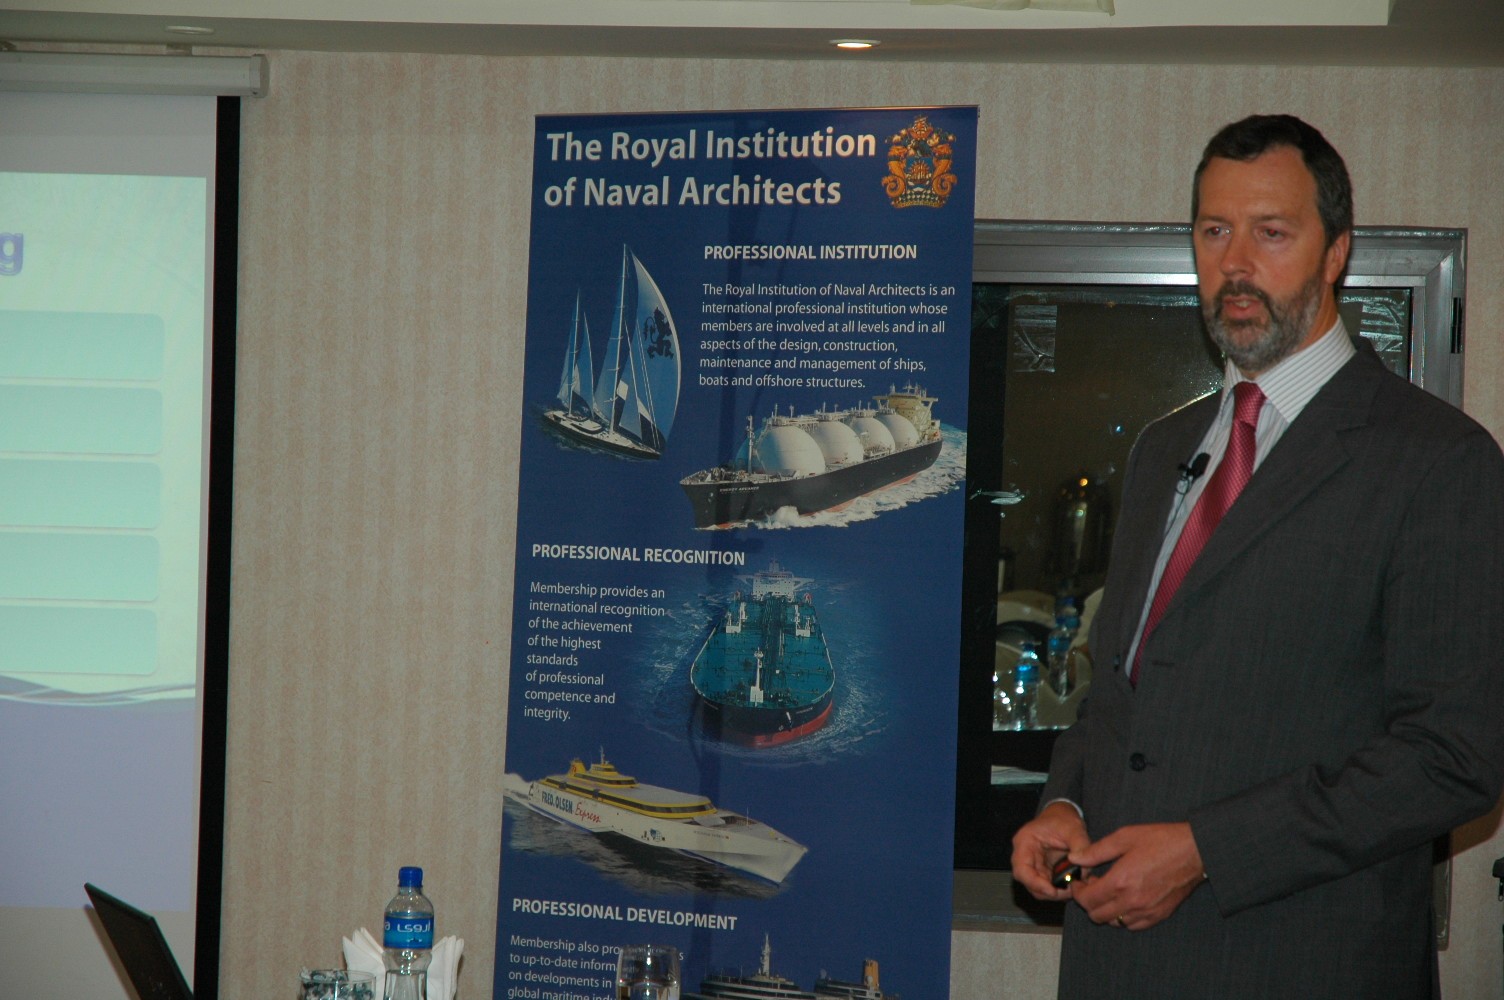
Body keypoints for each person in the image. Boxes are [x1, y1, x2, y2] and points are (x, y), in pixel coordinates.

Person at [1010, 113, 1504, 999]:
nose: (1235, 264)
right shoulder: (1162, 450)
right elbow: (1122, 691)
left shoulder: (1436, 459)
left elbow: (1454, 754)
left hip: (1301, 962)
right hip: (1113, 961)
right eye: (1214, 232)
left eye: (1271, 233)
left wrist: (1207, 850)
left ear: (1335, 252)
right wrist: (1066, 802)